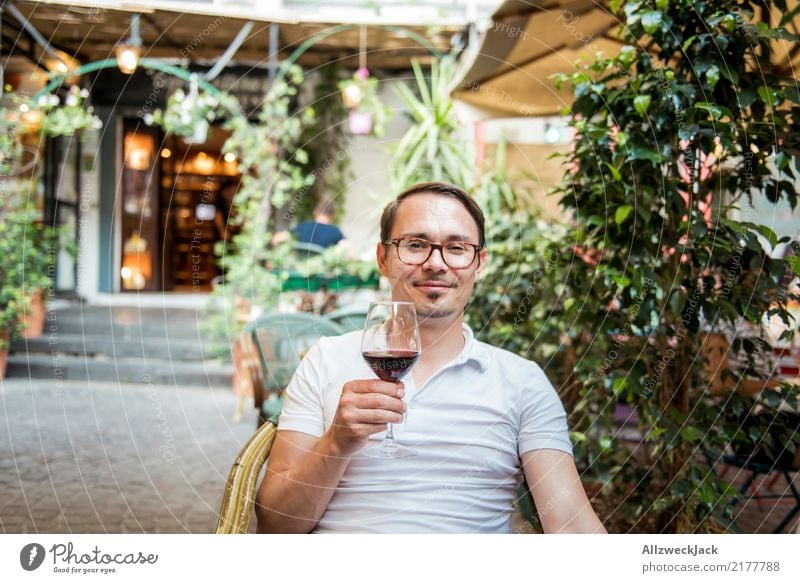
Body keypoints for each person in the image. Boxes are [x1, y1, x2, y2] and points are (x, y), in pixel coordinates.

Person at [255, 182, 606, 533]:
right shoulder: (325, 360)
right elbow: (275, 525)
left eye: (457, 247)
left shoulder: (522, 382)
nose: (436, 263)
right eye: (416, 245)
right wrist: (336, 442)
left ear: (478, 264)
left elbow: (572, 528)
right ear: (383, 258)